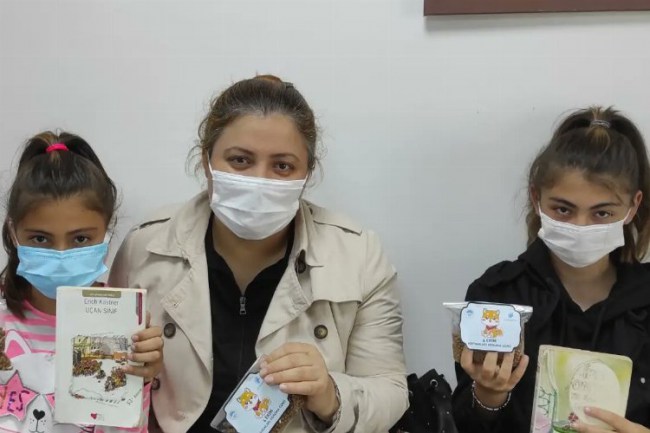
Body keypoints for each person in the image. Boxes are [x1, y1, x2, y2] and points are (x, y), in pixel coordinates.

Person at [109, 75, 408, 433]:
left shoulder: (358, 256)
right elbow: (103, 379)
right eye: (240, 160)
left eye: (282, 166)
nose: (259, 180)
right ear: (206, 160)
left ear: (307, 173)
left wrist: (330, 394)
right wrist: (134, 374)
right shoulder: (144, 247)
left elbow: (390, 390)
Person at [452, 107, 650, 433]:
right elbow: (464, 422)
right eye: (563, 209)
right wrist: (488, 395)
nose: (580, 226)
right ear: (536, 198)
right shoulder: (497, 296)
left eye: (601, 213)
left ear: (633, 207)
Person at [0, 131, 164, 432]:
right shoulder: (3, 324)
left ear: (107, 232)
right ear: (13, 232)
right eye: (40, 239)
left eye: (80, 239)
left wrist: (141, 378)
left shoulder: (126, 323)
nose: (61, 254)